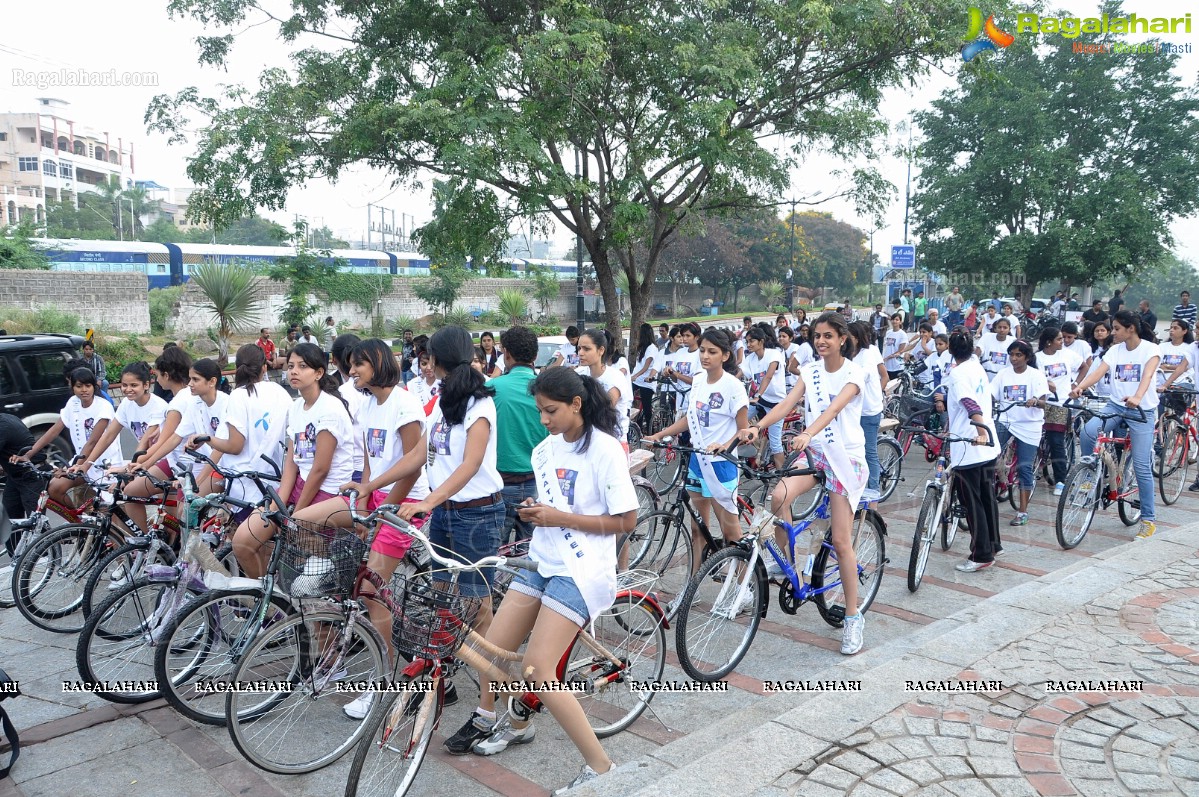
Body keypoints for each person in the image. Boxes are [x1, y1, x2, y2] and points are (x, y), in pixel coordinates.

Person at [467, 368, 637, 793]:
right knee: (486, 653)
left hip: (580, 570)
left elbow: (626, 520)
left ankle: (601, 769)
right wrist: (536, 509)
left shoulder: (605, 449)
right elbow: (551, 502)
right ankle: (520, 717)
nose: (543, 420)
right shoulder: (544, 450)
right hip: (542, 558)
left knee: (539, 669)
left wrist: (558, 517)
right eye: (540, 410)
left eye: (551, 411)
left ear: (576, 404)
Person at [394, 327, 505, 755]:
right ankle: (439, 684)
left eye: (427, 357)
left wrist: (429, 501)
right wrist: (372, 486)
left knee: (478, 612)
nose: (424, 364)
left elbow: (471, 463)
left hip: (476, 515)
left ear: (439, 359)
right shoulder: (445, 402)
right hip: (444, 514)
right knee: (442, 606)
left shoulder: (480, 404)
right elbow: (420, 455)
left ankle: (488, 712)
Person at [740, 312, 869, 654]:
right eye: (817, 335)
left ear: (843, 338)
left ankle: (853, 618)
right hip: (816, 451)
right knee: (778, 496)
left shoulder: (855, 373)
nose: (821, 341)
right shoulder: (809, 370)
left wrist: (809, 431)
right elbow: (786, 403)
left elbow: (834, 410)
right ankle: (792, 564)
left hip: (845, 457)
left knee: (841, 541)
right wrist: (758, 425)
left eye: (828, 335)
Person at [336, 338, 433, 718]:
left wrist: (388, 507)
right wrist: (363, 502)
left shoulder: (404, 403)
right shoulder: (366, 403)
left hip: (406, 506)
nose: (352, 371)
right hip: (379, 501)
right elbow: (368, 458)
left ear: (378, 363)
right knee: (369, 590)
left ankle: (384, 685)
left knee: (372, 591)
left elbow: (414, 464)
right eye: (350, 365)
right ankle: (406, 658)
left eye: (359, 364)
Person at [232, 342, 356, 576]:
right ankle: (272, 604)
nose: (294, 371)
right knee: (243, 542)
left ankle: (325, 592)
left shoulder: (330, 408)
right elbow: (291, 460)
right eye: (290, 366)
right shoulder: (296, 406)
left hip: (328, 492)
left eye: (302, 366)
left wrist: (295, 514)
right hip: (300, 487)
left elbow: (321, 468)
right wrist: (279, 502)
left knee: (307, 556)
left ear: (319, 373)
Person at [645, 328, 749, 578]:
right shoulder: (700, 379)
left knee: (730, 532)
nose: (705, 356)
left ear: (725, 355)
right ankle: (692, 584)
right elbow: (691, 420)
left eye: (712, 352)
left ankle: (745, 585)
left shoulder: (733, 387)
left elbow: (743, 430)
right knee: (697, 528)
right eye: (702, 350)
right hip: (697, 461)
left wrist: (724, 445)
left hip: (721, 465)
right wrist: (660, 435)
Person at [1070, 309, 1160, 539]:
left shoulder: (1151, 350)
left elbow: (1147, 376)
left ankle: (1148, 520)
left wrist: (1138, 397)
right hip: (1115, 406)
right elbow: (1098, 372)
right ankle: (1091, 476)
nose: (1113, 333)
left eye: (1117, 329)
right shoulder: (1115, 350)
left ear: (1131, 329)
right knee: (1089, 432)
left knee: (1141, 466)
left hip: (1142, 409)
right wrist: (1080, 386)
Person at [197, 344, 292, 522]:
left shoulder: (238, 396)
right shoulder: (279, 392)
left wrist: (207, 439)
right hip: (272, 477)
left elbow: (234, 446)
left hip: (244, 481)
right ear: (264, 367)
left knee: (245, 540)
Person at [934, 331, 1001, 572]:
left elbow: (968, 402)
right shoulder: (976, 367)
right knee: (986, 498)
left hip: (970, 446)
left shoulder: (958, 372)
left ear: (950, 350)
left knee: (972, 503)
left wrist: (980, 430)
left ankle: (981, 554)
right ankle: (993, 544)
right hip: (987, 447)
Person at [16, 367, 123, 508]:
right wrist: (29, 454)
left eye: (87, 385)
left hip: (103, 464)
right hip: (80, 462)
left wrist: (74, 466)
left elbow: (92, 442)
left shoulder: (103, 407)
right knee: (55, 488)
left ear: (94, 386)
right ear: (72, 387)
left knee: (110, 511)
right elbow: (54, 430)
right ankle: (79, 524)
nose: (84, 390)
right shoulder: (73, 403)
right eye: (79, 386)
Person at [490, 327, 548, 543]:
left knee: (496, 556)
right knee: (533, 553)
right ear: (535, 356)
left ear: (506, 354)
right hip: (539, 484)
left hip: (500, 483)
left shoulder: (491, 388)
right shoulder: (549, 388)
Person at [85, 362, 169, 505]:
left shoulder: (158, 406)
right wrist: (87, 464)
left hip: (164, 461)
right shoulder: (126, 404)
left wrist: (128, 472)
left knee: (169, 519)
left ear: (146, 385)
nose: (128, 389)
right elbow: (108, 436)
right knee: (127, 498)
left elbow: (143, 445)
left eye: (134, 385)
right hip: (146, 463)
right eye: (124, 385)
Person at [991, 340, 1048, 526]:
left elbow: (1043, 401)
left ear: (1027, 357)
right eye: (1012, 355)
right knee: (989, 456)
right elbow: (991, 395)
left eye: (1018, 355)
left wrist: (1035, 401)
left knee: (1024, 467)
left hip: (1029, 425)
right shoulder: (1002, 374)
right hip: (1006, 421)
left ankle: (1022, 511)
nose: (1014, 359)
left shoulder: (1036, 375)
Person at [1036, 327, 1087, 496]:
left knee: (1056, 442)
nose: (1063, 341)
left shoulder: (1066, 354)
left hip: (1061, 403)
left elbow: (1084, 367)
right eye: (1059, 339)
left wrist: (1076, 385)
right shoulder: (1037, 358)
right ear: (1049, 342)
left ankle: (1061, 480)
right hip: (1042, 402)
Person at [849, 321, 888, 508]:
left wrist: (878, 394)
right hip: (854, 410)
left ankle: (873, 499)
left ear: (855, 338)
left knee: (869, 452)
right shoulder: (849, 354)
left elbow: (858, 381)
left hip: (869, 411)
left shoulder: (868, 353)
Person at [576, 329, 633, 449]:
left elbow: (605, 409)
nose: (580, 353)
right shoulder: (579, 373)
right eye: (579, 348)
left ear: (601, 350)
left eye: (586, 349)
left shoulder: (615, 377)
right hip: (585, 440)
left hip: (613, 441)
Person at [740, 325, 787, 469]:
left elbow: (768, 376)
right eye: (747, 341)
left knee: (775, 444)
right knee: (736, 420)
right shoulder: (750, 359)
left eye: (751, 341)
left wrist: (758, 394)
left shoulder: (774, 354)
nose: (748, 344)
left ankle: (783, 479)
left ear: (761, 341)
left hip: (777, 405)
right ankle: (747, 454)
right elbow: (739, 373)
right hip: (760, 402)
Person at [332, 334, 367, 481]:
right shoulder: (335, 386)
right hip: (360, 465)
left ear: (334, 360)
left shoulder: (343, 391)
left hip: (354, 466)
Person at [629, 323, 660, 433]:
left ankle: (650, 431)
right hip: (637, 380)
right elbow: (639, 365)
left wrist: (635, 376)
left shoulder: (652, 348)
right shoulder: (642, 346)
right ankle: (636, 424)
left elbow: (646, 366)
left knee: (647, 408)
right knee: (628, 398)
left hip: (647, 381)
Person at [410, 348, 441, 414]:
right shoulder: (412, 384)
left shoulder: (444, 383)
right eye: (424, 364)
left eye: (432, 363)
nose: (429, 368)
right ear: (419, 366)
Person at [882, 313, 908, 380]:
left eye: (897, 320)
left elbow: (900, 350)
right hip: (887, 365)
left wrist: (888, 357)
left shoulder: (902, 334)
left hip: (897, 365)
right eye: (893, 319)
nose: (894, 321)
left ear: (900, 322)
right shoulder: (888, 332)